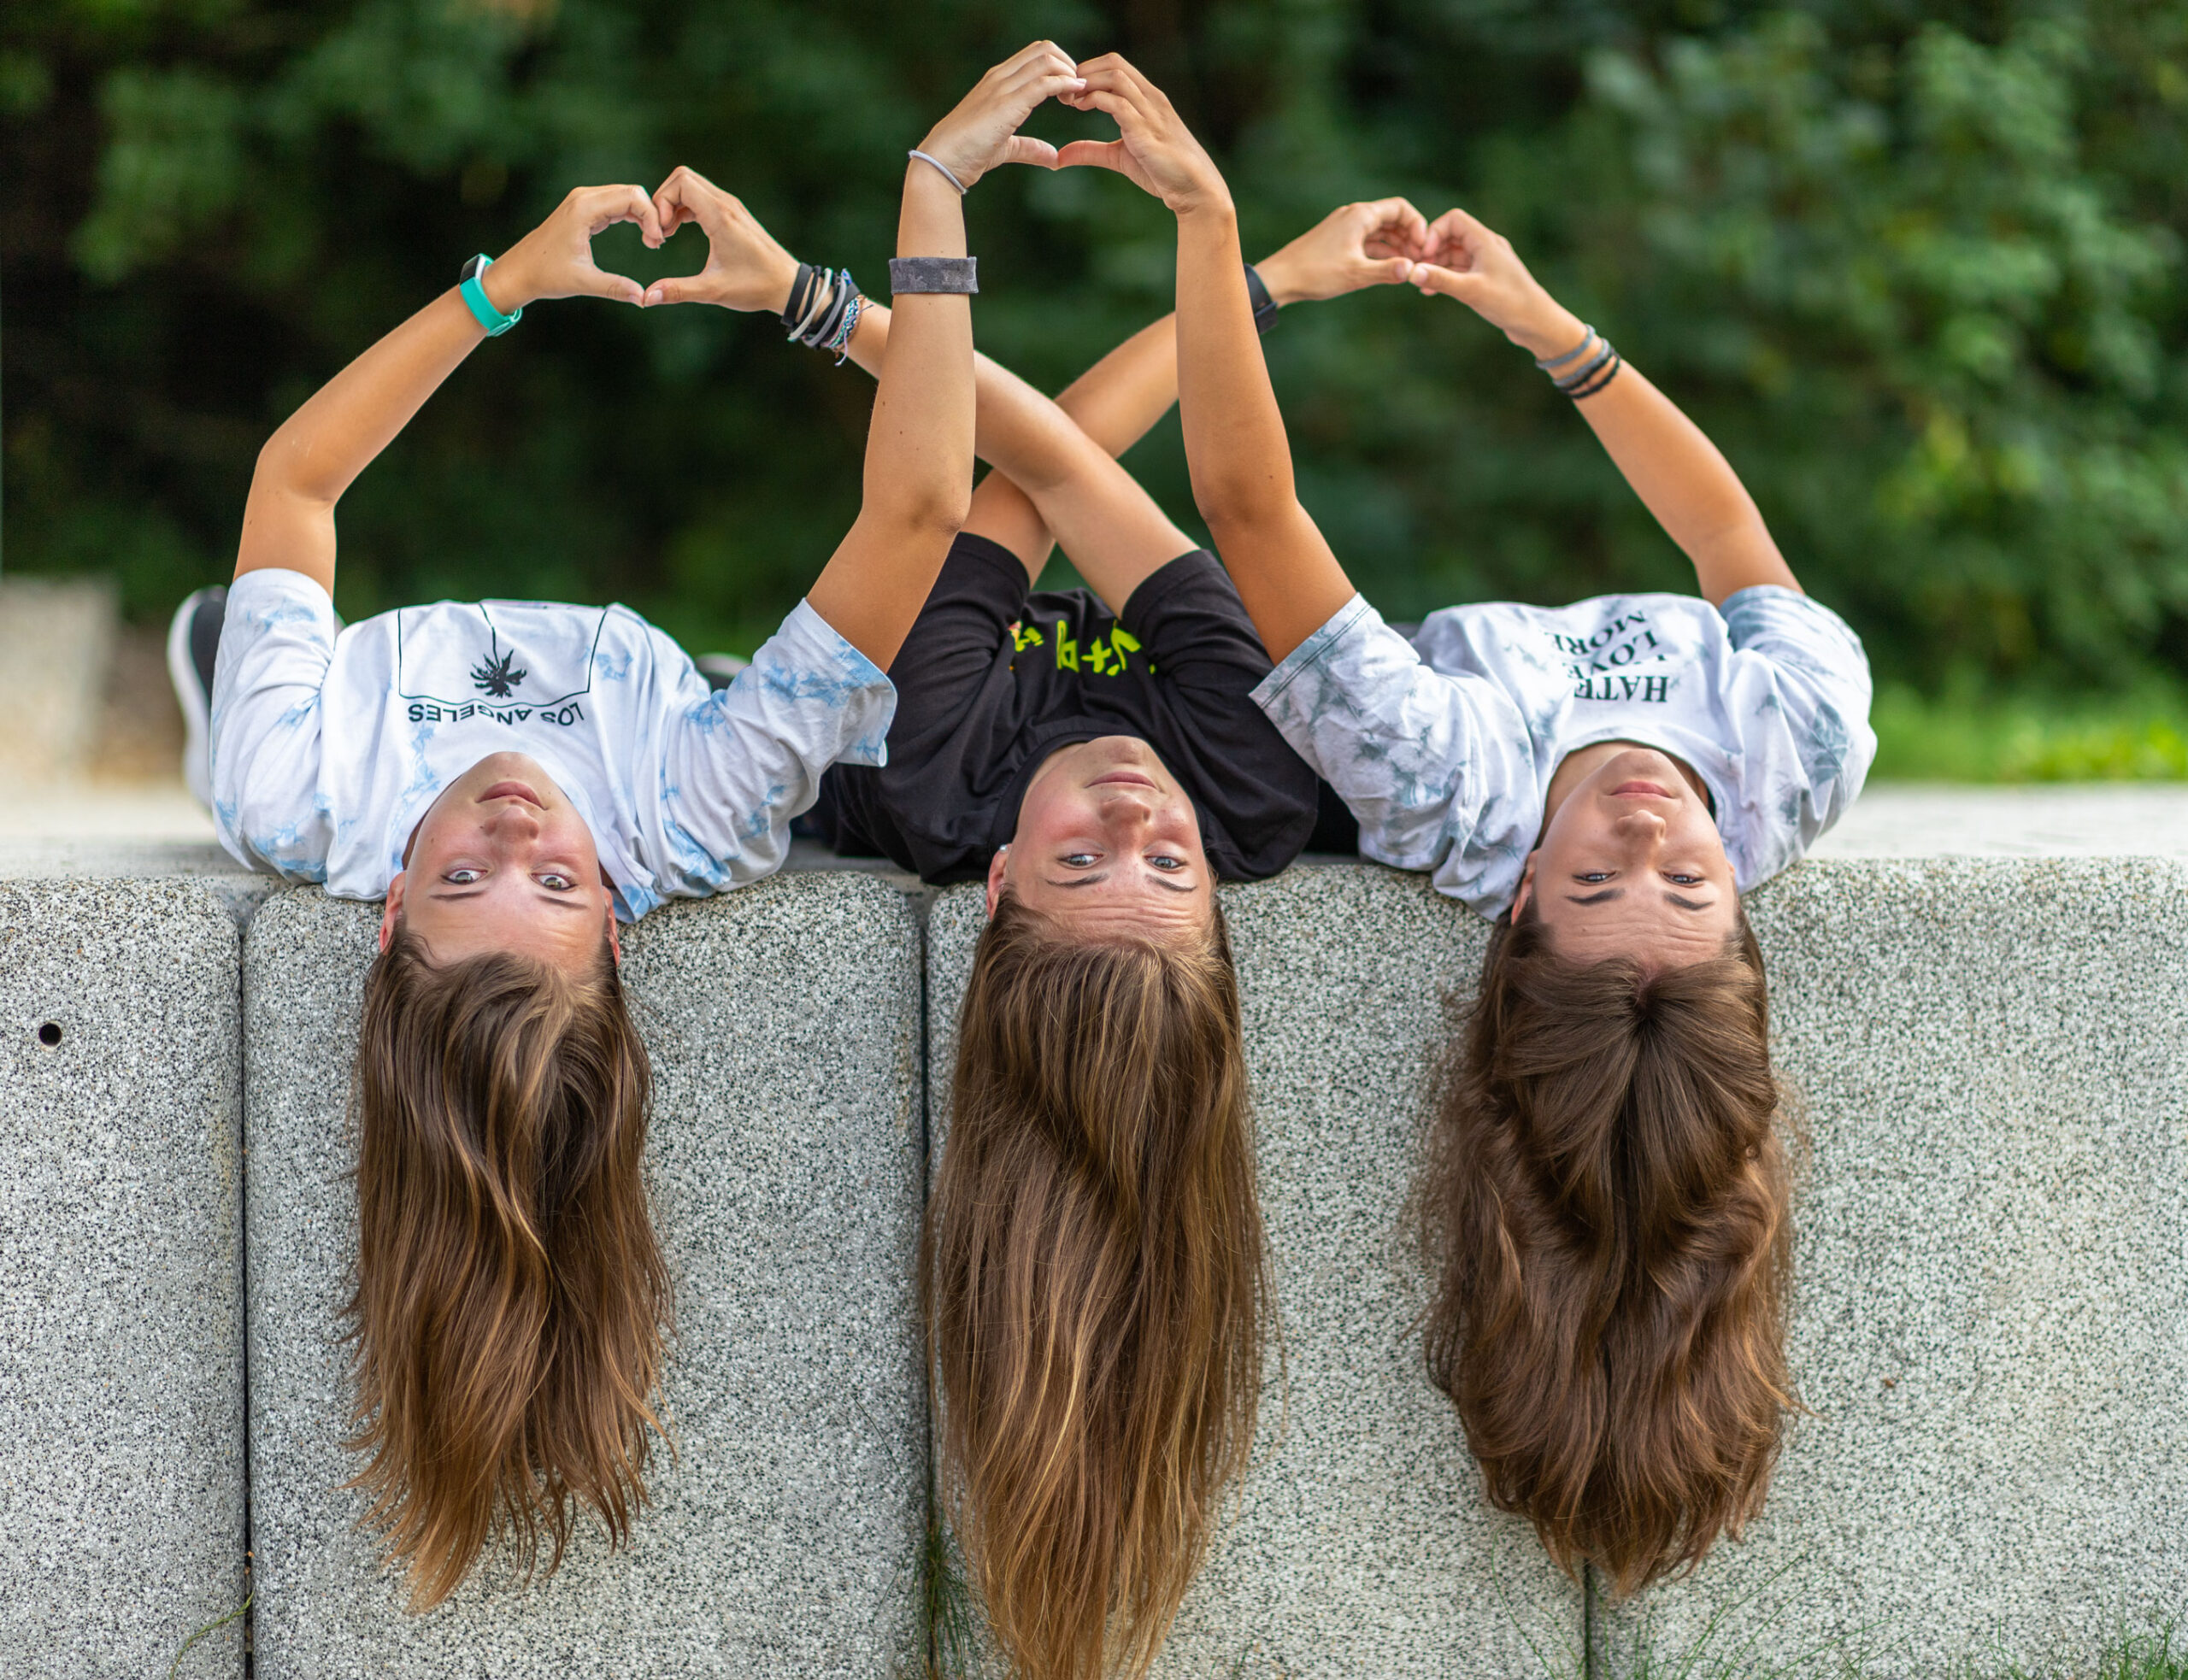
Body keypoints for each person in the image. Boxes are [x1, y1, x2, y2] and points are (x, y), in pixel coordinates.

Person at [168, 42, 1088, 1609]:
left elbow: (300, 481)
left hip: (344, 675)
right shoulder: (693, 819)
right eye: (555, 880)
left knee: (242, 643)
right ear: (621, 923)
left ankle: (222, 650)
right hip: (680, 694)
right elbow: (921, 511)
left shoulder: (305, 796)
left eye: (468, 874)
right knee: (802, 708)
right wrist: (922, 201)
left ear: (388, 911)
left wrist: (500, 288)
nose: (518, 823)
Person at [1056, 56, 1875, 1597]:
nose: (1643, 824)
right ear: (1743, 899)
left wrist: (1216, 232)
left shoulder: (1451, 792)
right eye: (1682, 879)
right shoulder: (1800, 751)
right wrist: (1545, 327)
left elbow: (1249, 510)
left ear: (1516, 905)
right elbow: (1726, 537)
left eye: (1597, 876)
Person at [626, 169, 1423, 1678]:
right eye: (1163, 868)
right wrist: (1251, 289)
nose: (1132, 811)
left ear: (997, 883)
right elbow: (1062, 458)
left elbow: (1033, 470)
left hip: (792, 689)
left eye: (1082, 862)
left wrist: (817, 300)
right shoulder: (1249, 790)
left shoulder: (940, 783)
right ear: (1221, 895)